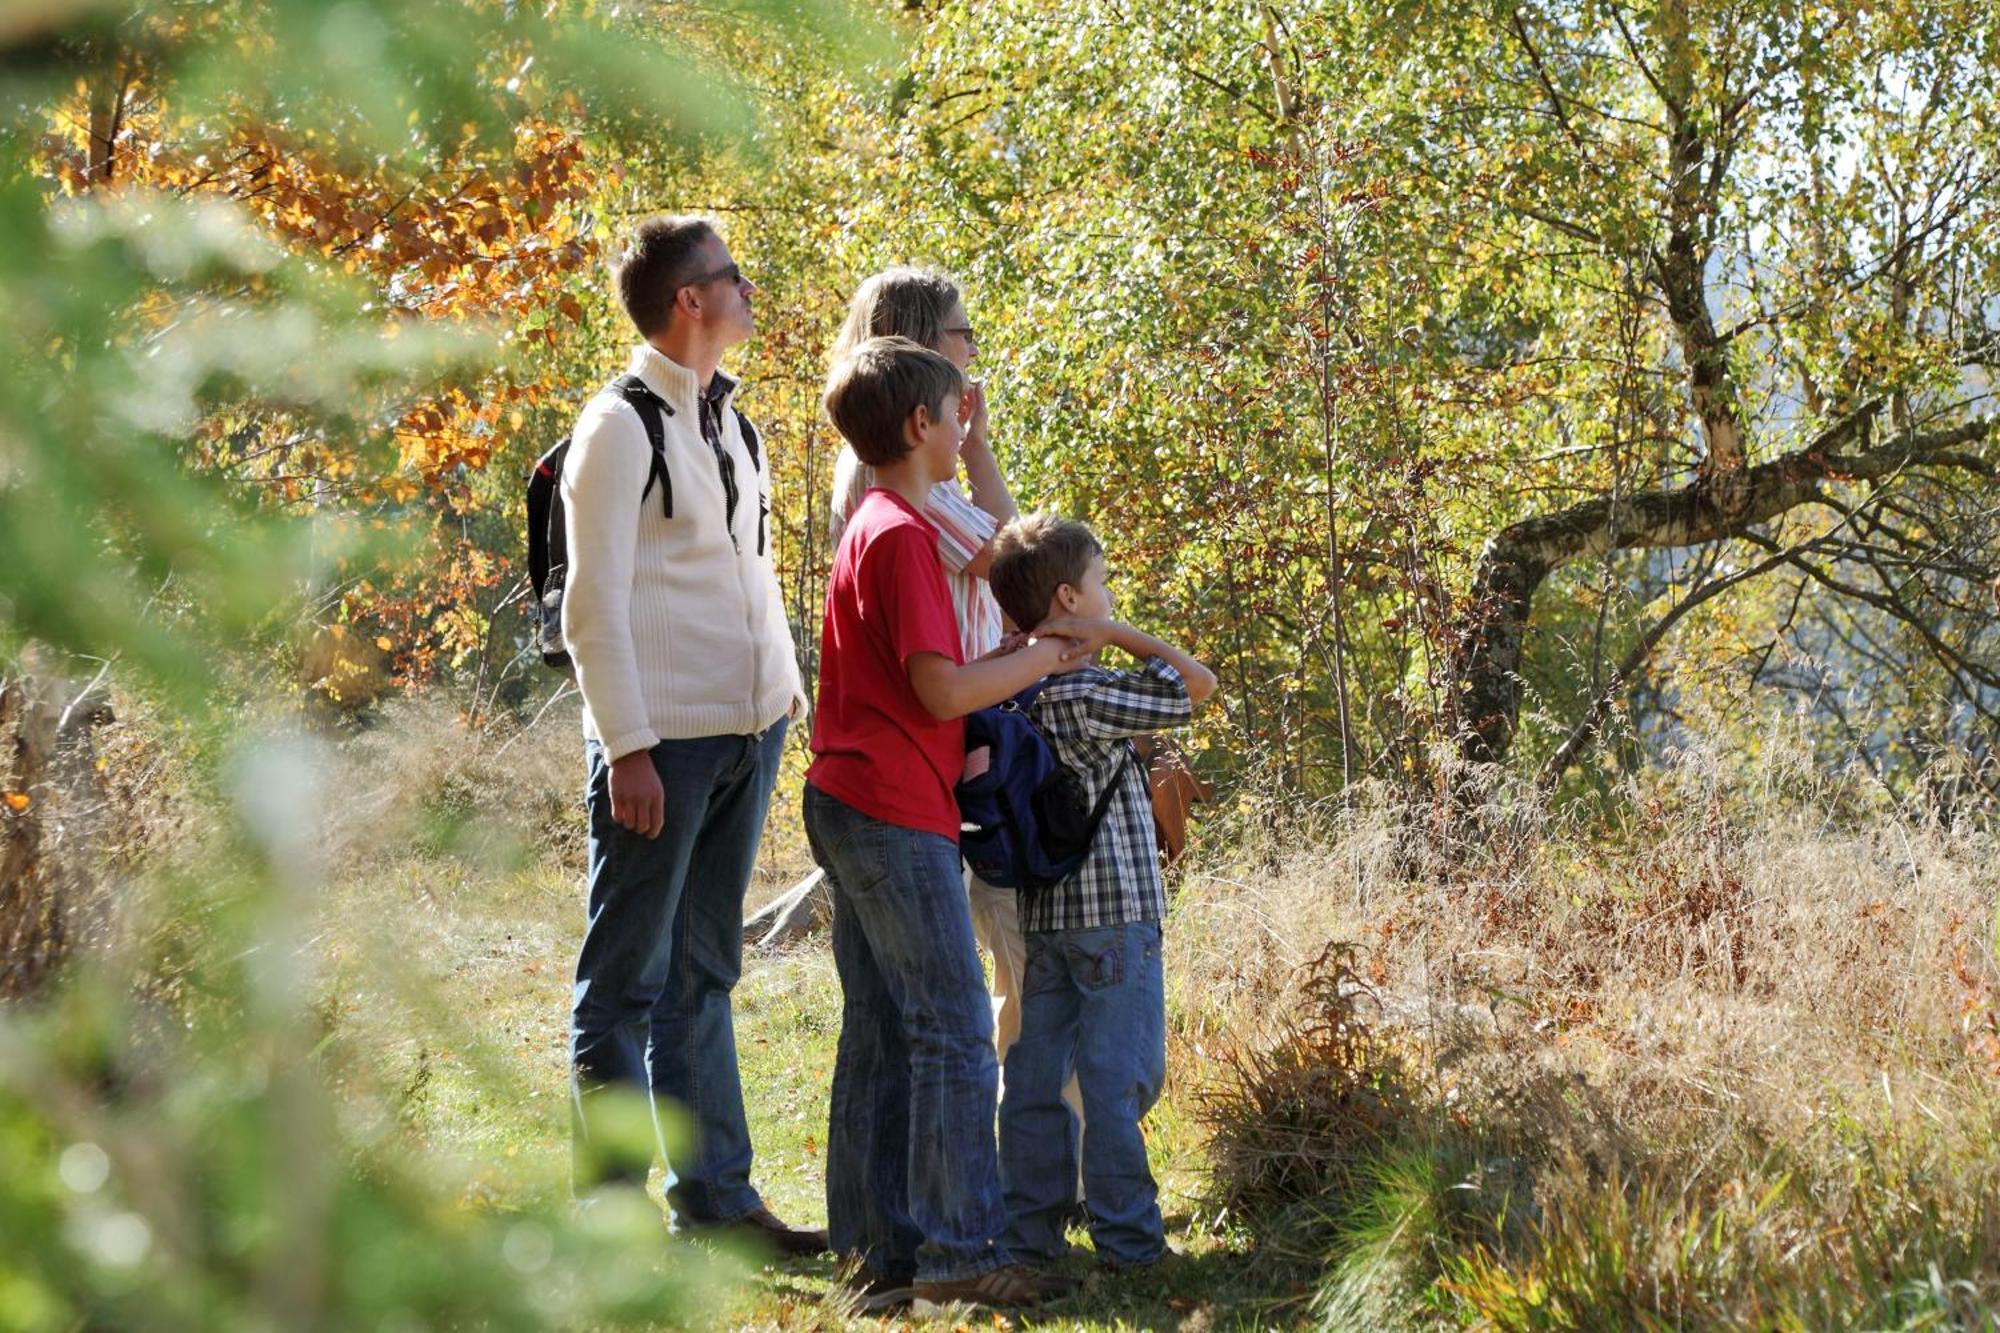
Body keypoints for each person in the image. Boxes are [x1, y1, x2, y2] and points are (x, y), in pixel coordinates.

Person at [560, 214, 823, 1254]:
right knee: (623, 981)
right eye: (733, 275)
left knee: (704, 971)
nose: (747, 289)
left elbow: (742, 572)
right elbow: (592, 604)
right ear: (690, 300)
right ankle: (614, 1231)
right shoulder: (616, 425)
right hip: (658, 744)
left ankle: (715, 1200)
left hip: (744, 734)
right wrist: (625, 745)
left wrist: (783, 689)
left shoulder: (731, 424)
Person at [804, 336, 1083, 1312]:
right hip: (884, 799)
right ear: (922, 424)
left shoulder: (891, 523)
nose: (968, 423)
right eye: (956, 410)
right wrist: (1046, 655)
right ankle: (959, 1253)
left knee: (888, 1025)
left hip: (862, 791)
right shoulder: (899, 536)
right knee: (953, 1024)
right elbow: (938, 689)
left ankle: (880, 1254)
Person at [826, 267, 1077, 1129]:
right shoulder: (895, 490)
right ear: (926, 352)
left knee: (893, 1011)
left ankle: (909, 1219)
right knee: (964, 996)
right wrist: (977, 441)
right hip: (939, 744)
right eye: (964, 338)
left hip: (946, 737)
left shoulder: (897, 475)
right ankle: (1014, 1179)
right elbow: (1020, 564)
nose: (976, 354)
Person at [984, 513, 1218, 1270]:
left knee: (1034, 1079)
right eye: (1103, 584)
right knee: (1121, 1078)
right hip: (1115, 919)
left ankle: (1029, 1234)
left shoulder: (1013, 693)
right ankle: (1129, 1240)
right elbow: (1196, 684)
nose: (1111, 595)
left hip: (1046, 916)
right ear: (1068, 598)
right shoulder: (1087, 693)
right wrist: (1116, 637)